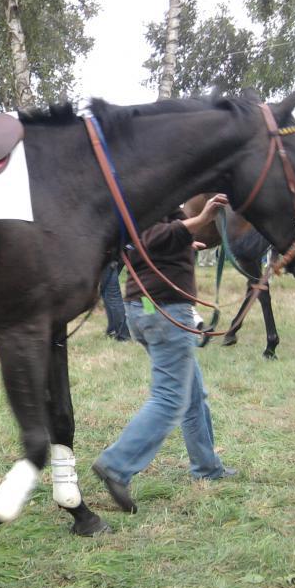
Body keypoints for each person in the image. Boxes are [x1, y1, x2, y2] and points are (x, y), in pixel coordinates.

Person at [92, 193, 237, 513]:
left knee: (193, 393)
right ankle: (116, 464)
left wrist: (188, 243)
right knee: (170, 398)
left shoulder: (147, 203)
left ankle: (207, 466)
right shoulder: (146, 204)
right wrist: (199, 222)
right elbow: (152, 237)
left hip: (146, 308)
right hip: (163, 312)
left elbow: (150, 245)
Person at [99, 258, 129, 341]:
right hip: (121, 252)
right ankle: (113, 330)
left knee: (112, 293)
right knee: (107, 290)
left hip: (110, 255)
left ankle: (123, 335)